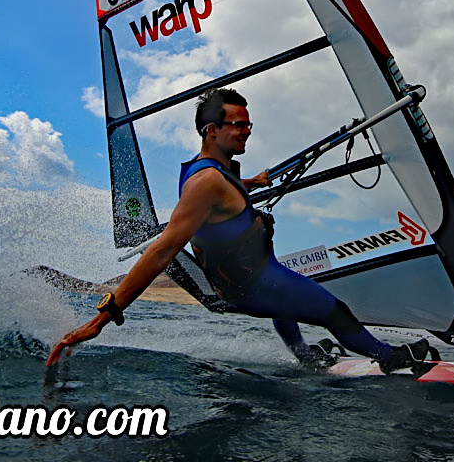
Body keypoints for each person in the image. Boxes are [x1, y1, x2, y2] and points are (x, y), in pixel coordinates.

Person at [46, 87, 431, 372]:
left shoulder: (215, 171)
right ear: (212, 130)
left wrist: (255, 182)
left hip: (259, 277)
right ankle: (391, 358)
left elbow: (228, 189)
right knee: (337, 313)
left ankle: (304, 356)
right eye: (238, 125)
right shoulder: (205, 184)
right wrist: (103, 316)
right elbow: (162, 251)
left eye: (249, 124)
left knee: (288, 301)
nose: (247, 131)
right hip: (254, 284)